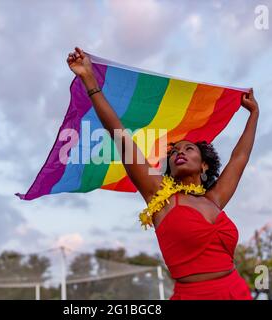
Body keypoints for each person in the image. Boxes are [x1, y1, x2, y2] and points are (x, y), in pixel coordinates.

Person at [67, 47, 259, 300]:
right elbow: (119, 133)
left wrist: (254, 114)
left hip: (236, 291)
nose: (179, 152)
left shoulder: (214, 199)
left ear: (204, 166)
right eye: (174, 151)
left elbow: (240, 158)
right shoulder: (159, 196)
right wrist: (89, 80)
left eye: (189, 149)